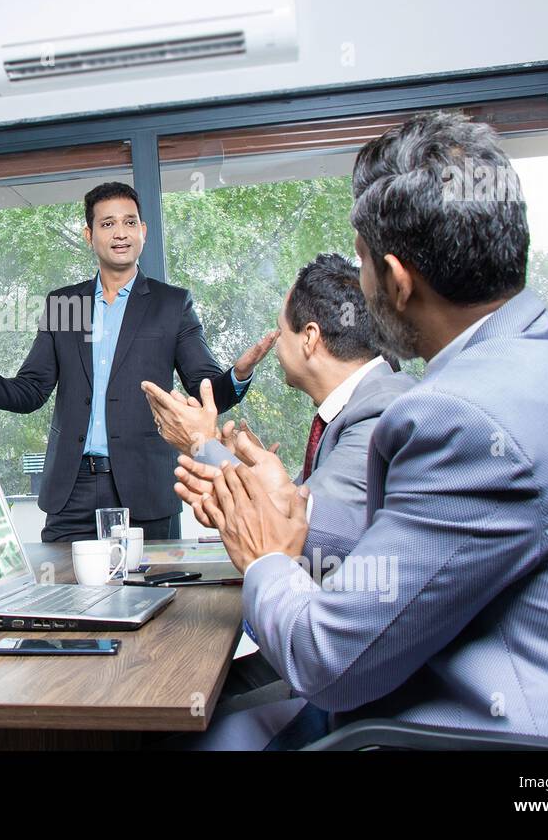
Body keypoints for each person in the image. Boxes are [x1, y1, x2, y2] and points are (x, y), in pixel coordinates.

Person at [174, 112, 548, 749]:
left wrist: (264, 555)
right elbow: (423, 538)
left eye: (365, 265)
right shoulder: (540, 354)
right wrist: (298, 506)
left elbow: (327, 662)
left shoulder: (466, 417)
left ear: (397, 281)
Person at [0, 181, 273, 543]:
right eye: (107, 224)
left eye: (129, 222)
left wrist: (238, 374)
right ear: (89, 235)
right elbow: (31, 391)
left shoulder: (172, 304)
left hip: (145, 491)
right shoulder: (64, 305)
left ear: (143, 231)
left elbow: (205, 392)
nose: (120, 233)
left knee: (152, 596)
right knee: (63, 593)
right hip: (71, 490)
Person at [143, 252, 412, 695]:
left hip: (343, 675)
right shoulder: (361, 405)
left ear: (310, 338)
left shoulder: (381, 410)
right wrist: (245, 471)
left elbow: (313, 532)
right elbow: (324, 511)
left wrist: (202, 445)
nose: (276, 344)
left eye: (281, 329)